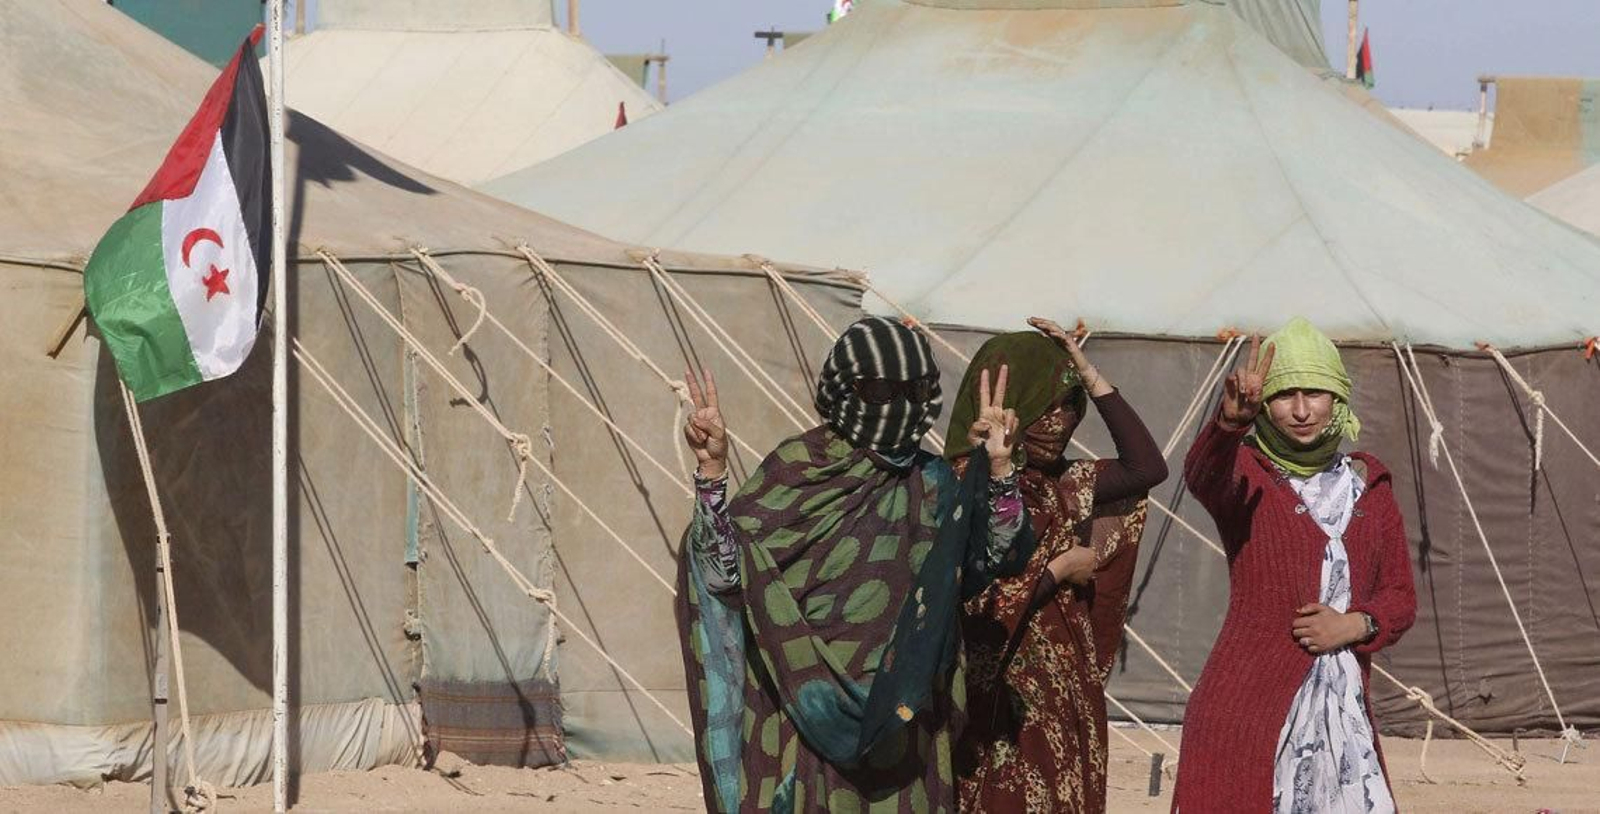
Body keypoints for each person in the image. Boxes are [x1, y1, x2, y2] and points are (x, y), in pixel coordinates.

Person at [675, 316, 1037, 813]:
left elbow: (994, 558)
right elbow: (726, 573)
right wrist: (712, 472)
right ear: (843, 389)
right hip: (806, 709)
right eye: (880, 390)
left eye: (916, 390)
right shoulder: (799, 469)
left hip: (906, 718)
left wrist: (998, 468)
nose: (901, 406)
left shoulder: (932, 482)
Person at [1172, 318, 1417, 814]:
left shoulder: (1369, 486)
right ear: (1264, 404)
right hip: (1246, 707)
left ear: (1338, 398)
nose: (1302, 411)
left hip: (1341, 716)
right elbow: (1201, 476)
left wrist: (1354, 624)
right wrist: (1228, 424)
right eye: (1285, 396)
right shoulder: (1246, 472)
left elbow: (1399, 595)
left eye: (1316, 393)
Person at [949, 318, 1169, 812]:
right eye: (1042, 406)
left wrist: (1088, 373)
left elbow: (1147, 467)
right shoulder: (958, 486)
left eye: (1070, 407)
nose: (1059, 422)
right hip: (997, 701)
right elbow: (975, 598)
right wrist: (1060, 570)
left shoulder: (1065, 483)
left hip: (1062, 692)